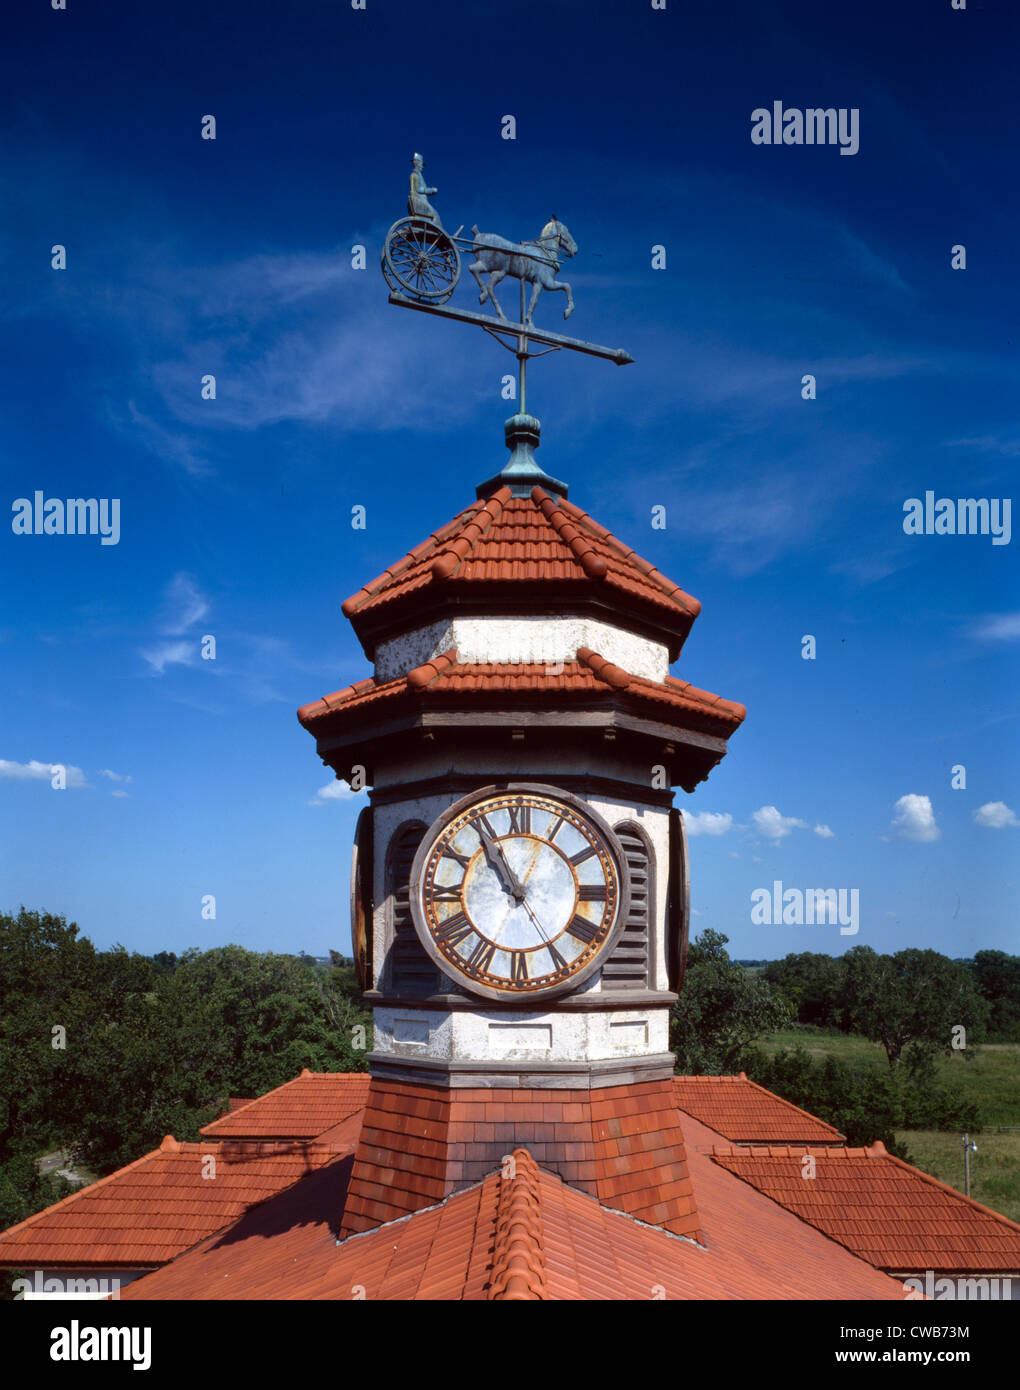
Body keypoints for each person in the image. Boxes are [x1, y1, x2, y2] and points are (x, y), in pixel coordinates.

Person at [408, 153, 439, 223]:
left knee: (434, 213)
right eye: (422, 164)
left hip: (419, 200)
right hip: (420, 200)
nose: (422, 167)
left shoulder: (416, 175)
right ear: (418, 163)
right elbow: (418, 189)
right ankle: (435, 229)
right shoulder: (415, 175)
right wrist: (431, 190)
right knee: (435, 215)